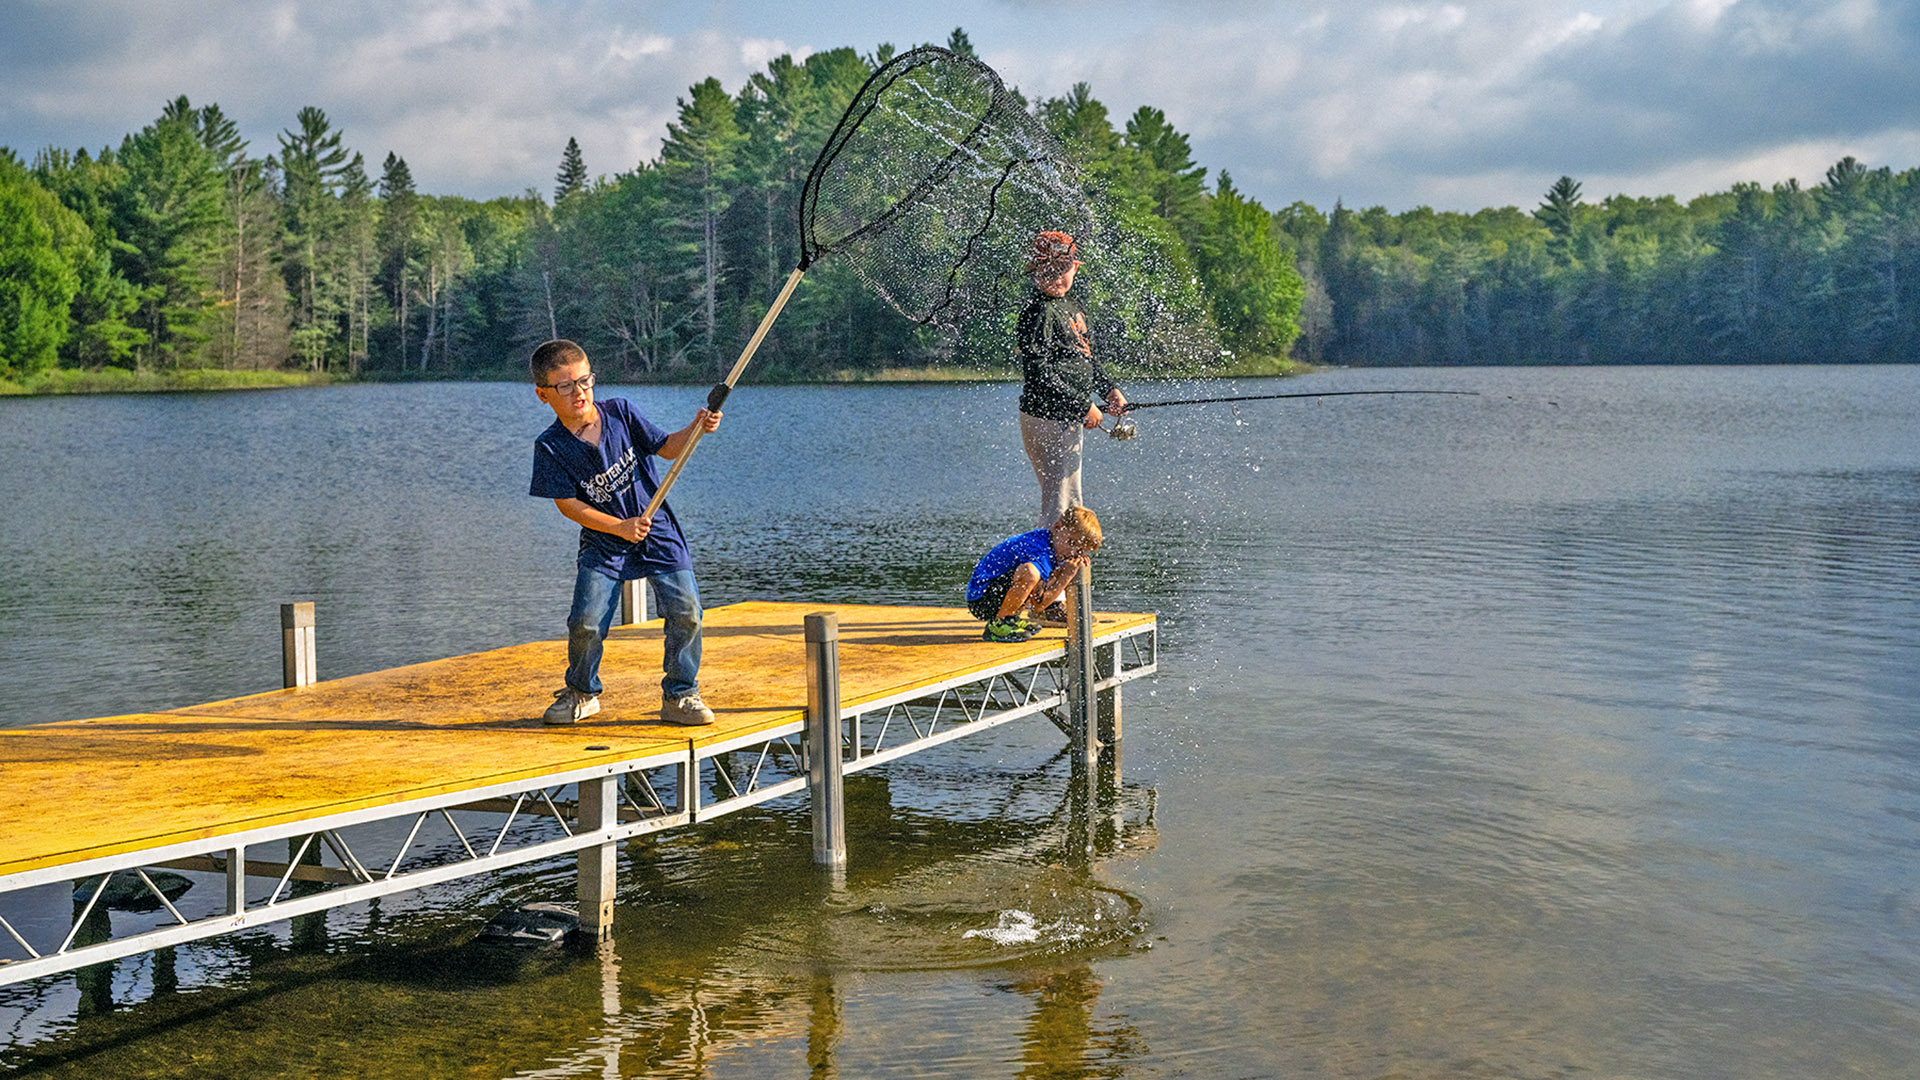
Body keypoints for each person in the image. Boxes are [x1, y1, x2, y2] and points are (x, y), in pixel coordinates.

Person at [528, 339, 722, 726]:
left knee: (687, 613)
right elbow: (569, 505)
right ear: (543, 395)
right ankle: (582, 693)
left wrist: (697, 428)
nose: (579, 392)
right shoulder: (550, 447)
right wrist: (618, 526)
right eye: (565, 386)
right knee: (585, 621)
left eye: (585, 381)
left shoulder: (620, 412)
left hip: (656, 530)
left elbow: (667, 447)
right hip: (605, 540)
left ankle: (680, 695)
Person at [1017, 230, 1128, 530]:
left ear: (1075, 267)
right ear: (1035, 270)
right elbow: (1039, 373)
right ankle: (1047, 569)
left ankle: (1073, 569)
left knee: (1071, 499)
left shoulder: (1072, 306)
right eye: (1047, 269)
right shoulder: (1037, 311)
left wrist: (1109, 390)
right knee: (1059, 502)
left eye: (1061, 269)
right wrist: (1081, 406)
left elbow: (1086, 357)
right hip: (1046, 417)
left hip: (1068, 416)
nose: (1055, 276)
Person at [966, 505, 1103, 643]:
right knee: (1030, 573)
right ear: (1057, 528)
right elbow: (1039, 605)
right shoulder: (1040, 551)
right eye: (1071, 543)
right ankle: (999, 623)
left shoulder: (1052, 543)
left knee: (1033, 575)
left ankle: (1011, 618)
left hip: (993, 593)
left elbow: (1042, 589)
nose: (1073, 553)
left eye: (1080, 551)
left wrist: (1064, 570)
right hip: (981, 600)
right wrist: (1066, 575)